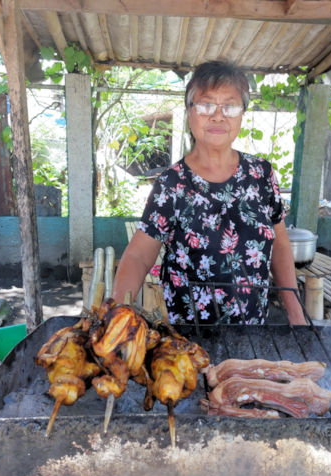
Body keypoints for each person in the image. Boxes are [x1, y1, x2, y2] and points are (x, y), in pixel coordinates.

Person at [112, 61, 305, 325]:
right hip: (188, 337)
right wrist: (115, 314)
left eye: (230, 106)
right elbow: (138, 256)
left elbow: (280, 245)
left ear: (242, 114)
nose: (218, 116)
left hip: (253, 333)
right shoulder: (171, 184)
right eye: (205, 105)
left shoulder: (261, 175)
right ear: (189, 112)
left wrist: (296, 314)